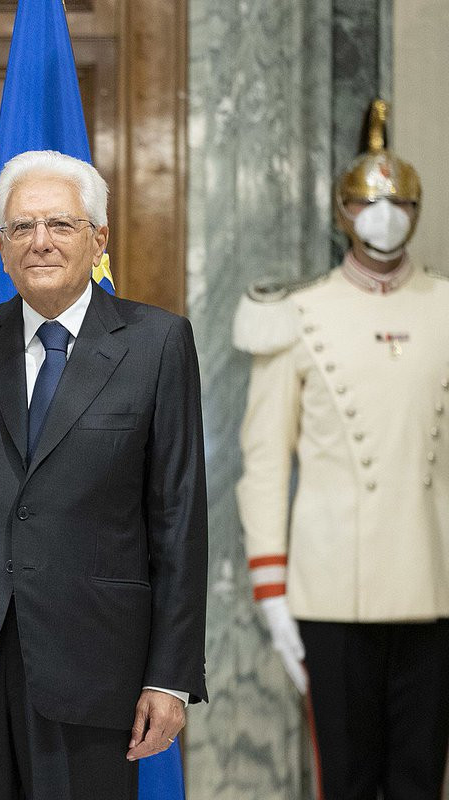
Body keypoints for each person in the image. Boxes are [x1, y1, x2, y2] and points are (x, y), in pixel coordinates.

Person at [0, 149, 208, 799]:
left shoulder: (157, 344)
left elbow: (179, 520)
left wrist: (169, 677)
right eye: (22, 227)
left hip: (96, 666)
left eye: (60, 224)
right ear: (1, 248)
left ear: (98, 238)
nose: (41, 241)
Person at [235, 99, 449, 800]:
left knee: (421, 779)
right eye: (367, 202)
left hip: (434, 581)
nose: (384, 217)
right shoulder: (297, 313)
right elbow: (265, 465)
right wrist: (271, 590)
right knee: (347, 782)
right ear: (342, 212)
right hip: (330, 591)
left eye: (399, 203)